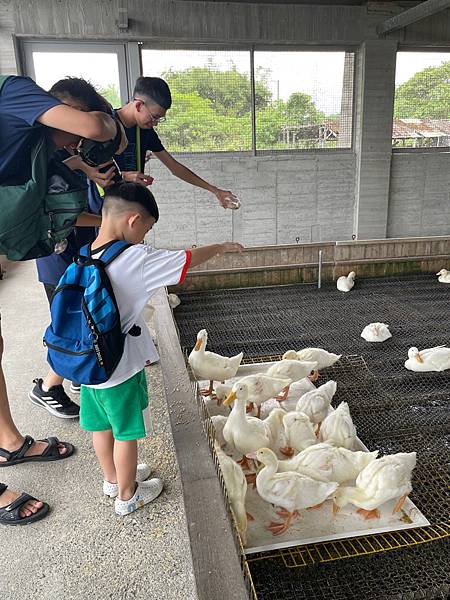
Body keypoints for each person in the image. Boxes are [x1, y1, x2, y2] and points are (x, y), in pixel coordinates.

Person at [0, 74, 127, 525]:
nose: (74, 145)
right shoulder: (12, 91)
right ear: (61, 106)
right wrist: (108, 124)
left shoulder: (39, 152)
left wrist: (110, 220)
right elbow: (97, 129)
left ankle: (9, 443)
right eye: (71, 135)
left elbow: (63, 213)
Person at [79, 182, 243, 515]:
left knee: (101, 426)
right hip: (117, 367)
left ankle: (112, 479)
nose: (145, 237)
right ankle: (127, 496)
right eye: (147, 229)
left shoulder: (86, 252)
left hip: (87, 364)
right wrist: (221, 247)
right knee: (125, 432)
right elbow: (184, 260)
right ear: (133, 220)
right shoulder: (133, 257)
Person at [29, 78, 118, 420]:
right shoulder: (42, 148)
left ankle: (75, 375)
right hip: (56, 257)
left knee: (80, 321)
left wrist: (91, 173)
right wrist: (103, 223)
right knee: (70, 326)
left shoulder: (68, 149)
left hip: (73, 252)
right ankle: (48, 387)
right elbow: (53, 209)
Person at [90, 76, 240, 213]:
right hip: (102, 209)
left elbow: (175, 167)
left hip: (129, 207)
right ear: (138, 106)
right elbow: (86, 171)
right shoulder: (104, 126)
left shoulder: (144, 131)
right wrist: (123, 176)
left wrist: (214, 190)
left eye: (159, 119)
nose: (155, 123)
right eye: (154, 117)